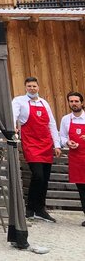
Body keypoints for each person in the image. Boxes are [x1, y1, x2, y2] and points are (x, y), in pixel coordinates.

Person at [12, 77, 61, 222]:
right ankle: (30, 207)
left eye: (34, 86)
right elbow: (13, 115)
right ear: (25, 87)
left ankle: (40, 209)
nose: (32, 88)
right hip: (31, 144)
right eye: (29, 86)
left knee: (45, 178)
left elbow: (51, 123)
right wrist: (12, 127)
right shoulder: (19, 101)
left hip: (46, 144)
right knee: (37, 175)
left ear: (38, 87)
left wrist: (56, 145)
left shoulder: (44, 103)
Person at [59, 91, 85, 226]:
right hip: (76, 158)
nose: (74, 104)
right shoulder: (65, 119)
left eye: (76, 101)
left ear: (82, 102)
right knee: (81, 188)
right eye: (71, 101)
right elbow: (62, 137)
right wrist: (68, 143)